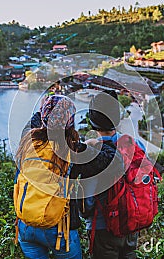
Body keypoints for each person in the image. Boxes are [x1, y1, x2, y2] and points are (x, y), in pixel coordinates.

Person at [14, 94, 121, 259]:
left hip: (26, 226)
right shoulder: (73, 151)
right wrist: (99, 143)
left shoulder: (28, 140)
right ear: (70, 123)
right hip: (58, 230)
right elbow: (112, 161)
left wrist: (48, 105)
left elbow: (36, 122)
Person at [83, 90, 146, 259]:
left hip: (103, 227)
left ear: (93, 123)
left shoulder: (90, 153)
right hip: (131, 223)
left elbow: (87, 203)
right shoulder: (135, 144)